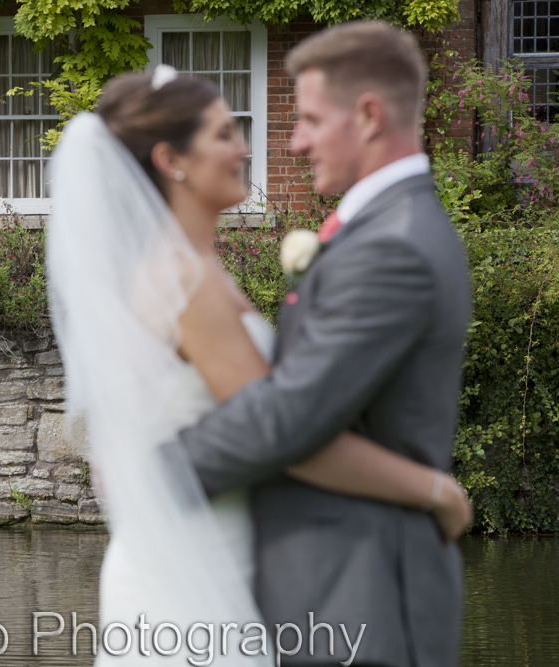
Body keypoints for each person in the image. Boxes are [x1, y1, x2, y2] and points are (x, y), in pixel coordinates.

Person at [48, 24, 471, 667]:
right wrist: (433, 489)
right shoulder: (184, 282)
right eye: (224, 134)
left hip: (229, 554)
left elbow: (276, 418)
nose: (249, 146)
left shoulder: (200, 271)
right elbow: (281, 427)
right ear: (172, 160)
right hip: (192, 570)